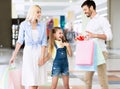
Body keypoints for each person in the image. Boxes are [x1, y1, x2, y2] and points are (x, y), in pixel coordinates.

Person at [9, 5, 47, 89]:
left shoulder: (43, 25)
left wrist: (42, 57)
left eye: (40, 12)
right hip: (28, 53)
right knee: (31, 78)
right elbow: (19, 41)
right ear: (32, 12)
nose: (40, 14)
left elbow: (44, 42)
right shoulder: (24, 24)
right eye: (38, 12)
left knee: (36, 79)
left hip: (39, 52)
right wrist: (13, 56)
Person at [81, 0, 113, 89]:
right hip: (90, 53)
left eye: (85, 9)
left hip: (100, 53)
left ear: (91, 7)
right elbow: (89, 37)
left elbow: (109, 36)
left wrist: (94, 35)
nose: (84, 12)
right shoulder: (90, 22)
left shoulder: (102, 20)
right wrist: (83, 38)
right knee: (87, 78)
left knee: (102, 79)